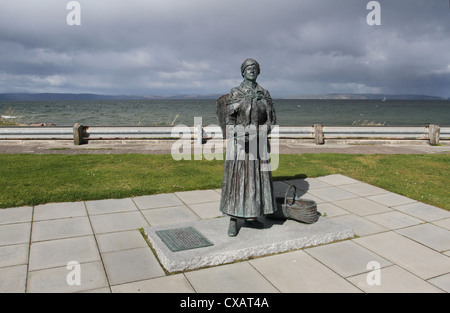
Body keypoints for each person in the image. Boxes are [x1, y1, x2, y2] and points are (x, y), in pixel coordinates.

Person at [219, 58, 277, 237]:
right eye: (248, 68)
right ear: (243, 72)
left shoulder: (264, 93)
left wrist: (263, 129)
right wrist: (237, 132)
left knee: (255, 181)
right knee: (237, 181)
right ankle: (233, 219)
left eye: (254, 68)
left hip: (258, 143)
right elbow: (229, 119)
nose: (251, 70)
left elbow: (272, 119)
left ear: (258, 72)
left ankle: (252, 215)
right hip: (240, 145)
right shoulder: (235, 92)